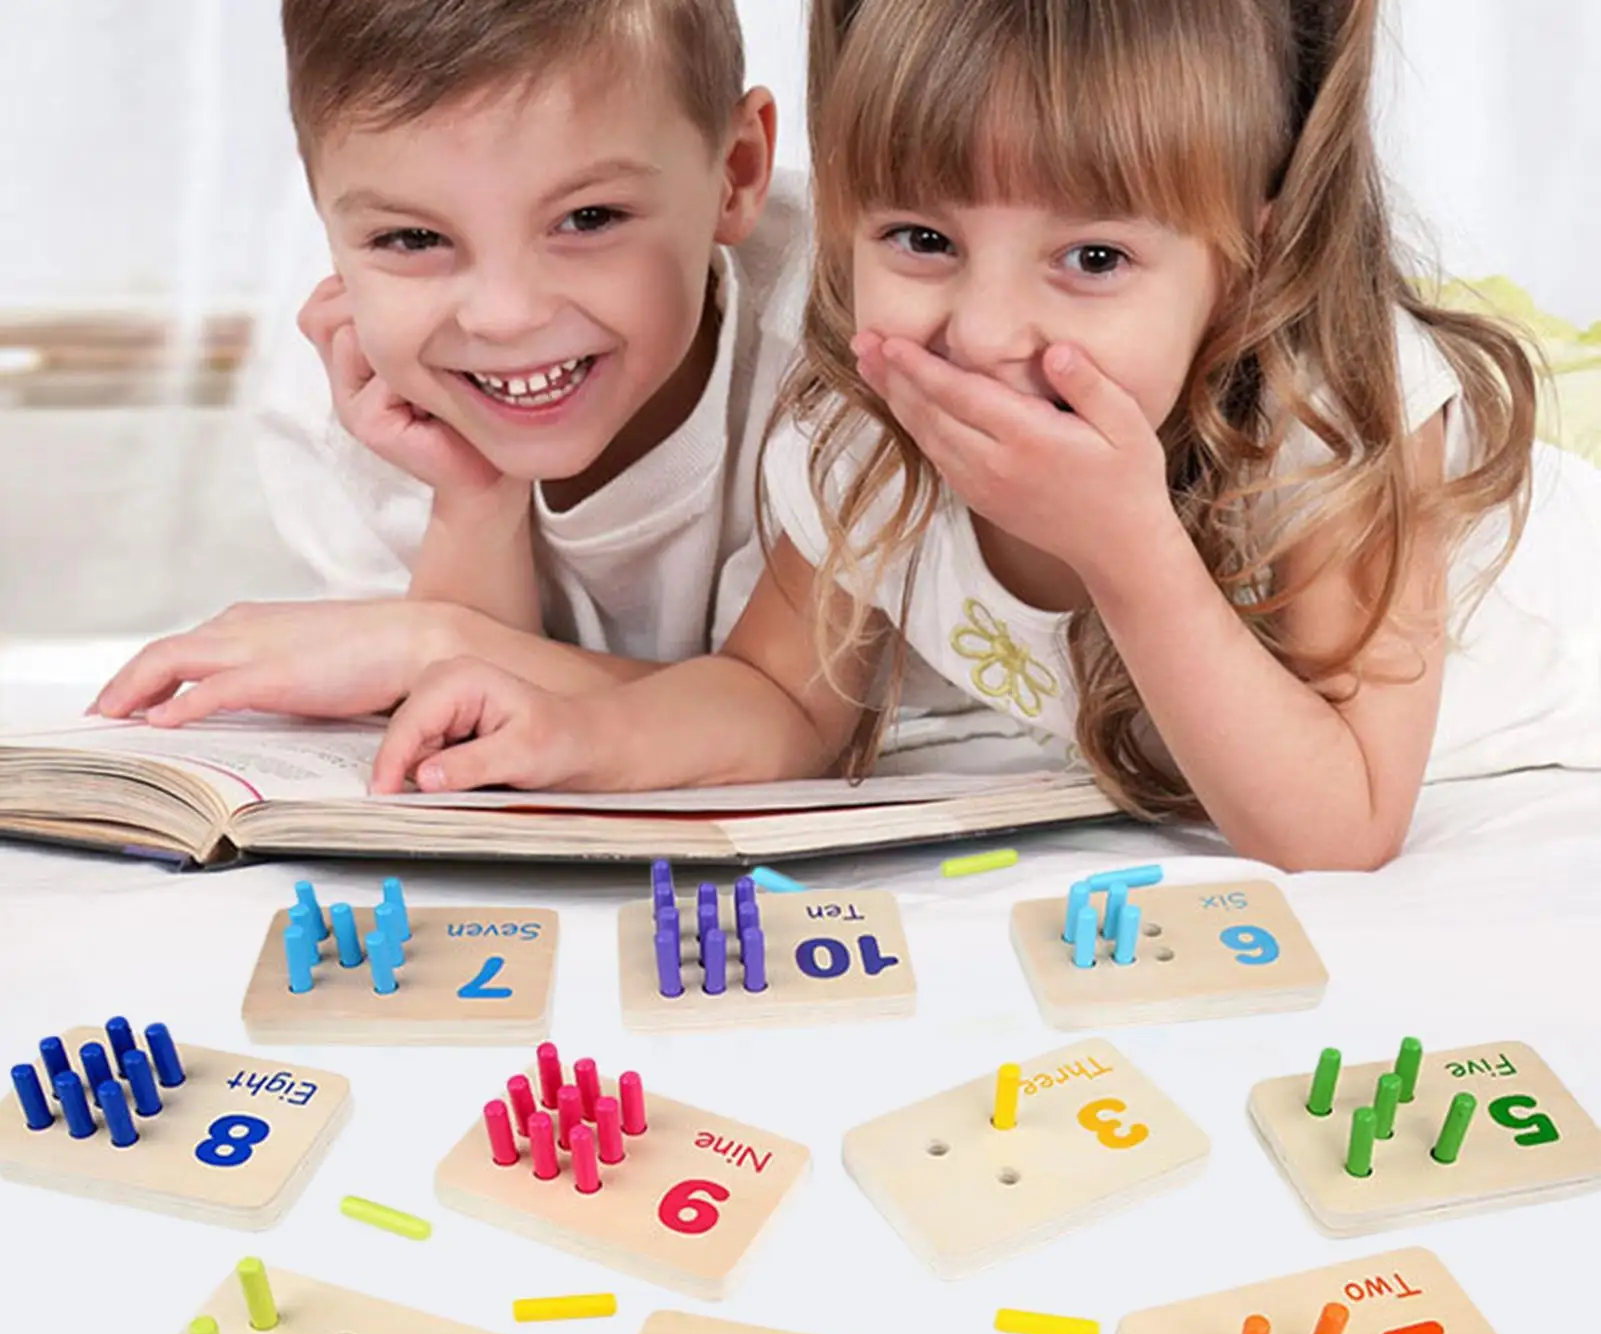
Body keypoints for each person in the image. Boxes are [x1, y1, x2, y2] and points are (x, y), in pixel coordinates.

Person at [374, 0, 1601, 872]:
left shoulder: (1325, 416)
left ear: (1247, 259)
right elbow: (777, 700)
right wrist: (586, 734)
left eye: (1093, 257)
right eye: (921, 239)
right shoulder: (871, 425)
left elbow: (1338, 827)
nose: (986, 328)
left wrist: (1124, 542)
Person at [92, 0, 803, 724]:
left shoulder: (835, 349)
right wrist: (475, 507)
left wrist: (431, 642)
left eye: (588, 219)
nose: (503, 316)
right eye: (411, 239)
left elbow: (790, 720)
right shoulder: (346, 400)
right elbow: (479, 725)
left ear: (736, 173)